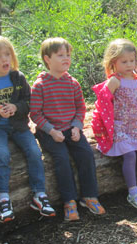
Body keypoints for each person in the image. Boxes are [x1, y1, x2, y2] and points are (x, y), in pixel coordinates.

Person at [0, 35, 55, 224]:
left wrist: (16, 107)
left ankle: (39, 194)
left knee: (34, 152)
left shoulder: (18, 77)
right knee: (1, 155)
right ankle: (3, 198)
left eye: (7, 54)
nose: (5, 60)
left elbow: (29, 102)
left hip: (18, 126)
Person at [30, 37, 104, 221]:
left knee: (86, 154)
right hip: (50, 131)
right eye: (60, 55)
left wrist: (77, 127)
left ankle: (89, 196)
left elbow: (80, 108)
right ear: (47, 59)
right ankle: (69, 201)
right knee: (61, 158)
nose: (66, 59)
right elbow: (35, 114)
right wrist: (51, 130)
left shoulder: (72, 83)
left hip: (71, 128)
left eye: (68, 55)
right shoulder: (40, 85)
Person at [92, 39, 137, 209]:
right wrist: (102, 125)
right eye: (124, 62)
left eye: (132, 61)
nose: (129, 64)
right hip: (120, 126)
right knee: (130, 155)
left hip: (135, 126)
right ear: (113, 62)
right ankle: (133, 193)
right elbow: (102, 102)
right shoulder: (115, 81)